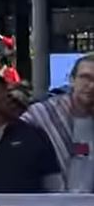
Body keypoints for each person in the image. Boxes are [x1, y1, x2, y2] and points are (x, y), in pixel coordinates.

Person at [23, 53, 94, 192]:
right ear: (72, 80)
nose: (91, 85)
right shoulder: (45, 113)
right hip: (53, 204)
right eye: (85, 77)